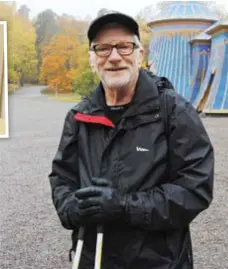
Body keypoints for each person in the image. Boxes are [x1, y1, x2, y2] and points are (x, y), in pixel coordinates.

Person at [49, 10, 214, 269]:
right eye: (103, 48)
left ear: (140, 54)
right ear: (92, 59)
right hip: (93, 259)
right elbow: (62, 177)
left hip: (159, 262)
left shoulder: (174, 112)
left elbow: (195, 189)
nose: (114, 57)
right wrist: (72, 209)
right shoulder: (79, 117)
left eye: (124, 46)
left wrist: (125, 207)